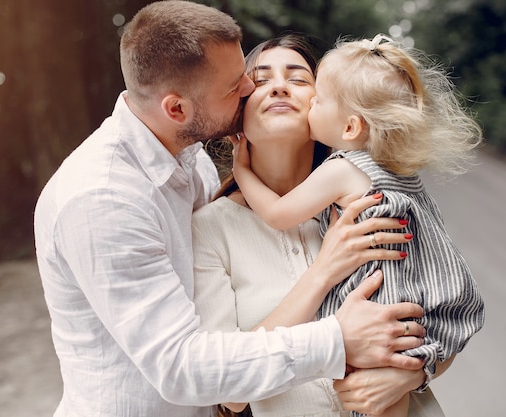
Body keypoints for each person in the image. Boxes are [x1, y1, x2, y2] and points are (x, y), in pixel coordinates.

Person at [33, 2, 427, 416]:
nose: (251, 90)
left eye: (298, 79)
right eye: (243, 84)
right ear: (177, 110)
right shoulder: (104, 198)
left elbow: (442, 305)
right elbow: (187, 369)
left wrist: (415, 371)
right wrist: (335, 329)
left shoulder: (195, 165)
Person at [193, 35, 454, 417]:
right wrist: (323, 271)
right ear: (237, 118)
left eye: (299, 79)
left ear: (336, 113)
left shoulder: (371, 202)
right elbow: (228, 393)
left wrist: (411, 376)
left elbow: (444, 314)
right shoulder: (211, 229)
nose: (280, 86)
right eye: (261, 80)